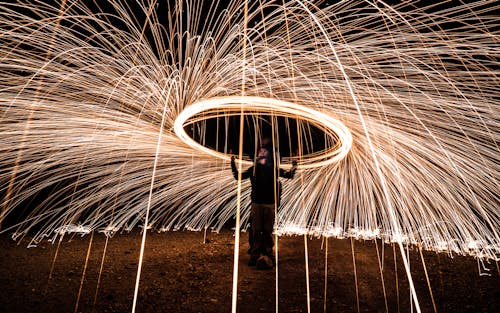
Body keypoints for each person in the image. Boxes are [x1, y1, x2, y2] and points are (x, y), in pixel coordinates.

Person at [231, 141, 297, 269]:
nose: (260, 155)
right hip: (257, 203)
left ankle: (268, 255)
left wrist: (295, 165)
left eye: (263, 153)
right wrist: (232, 162)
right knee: (256, 231)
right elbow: (237, 176)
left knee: (267, 231)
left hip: (269, 204)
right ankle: (255, 255)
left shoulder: (273, 169)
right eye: (259, 153)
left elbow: (289, 175)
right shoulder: (254, 169)